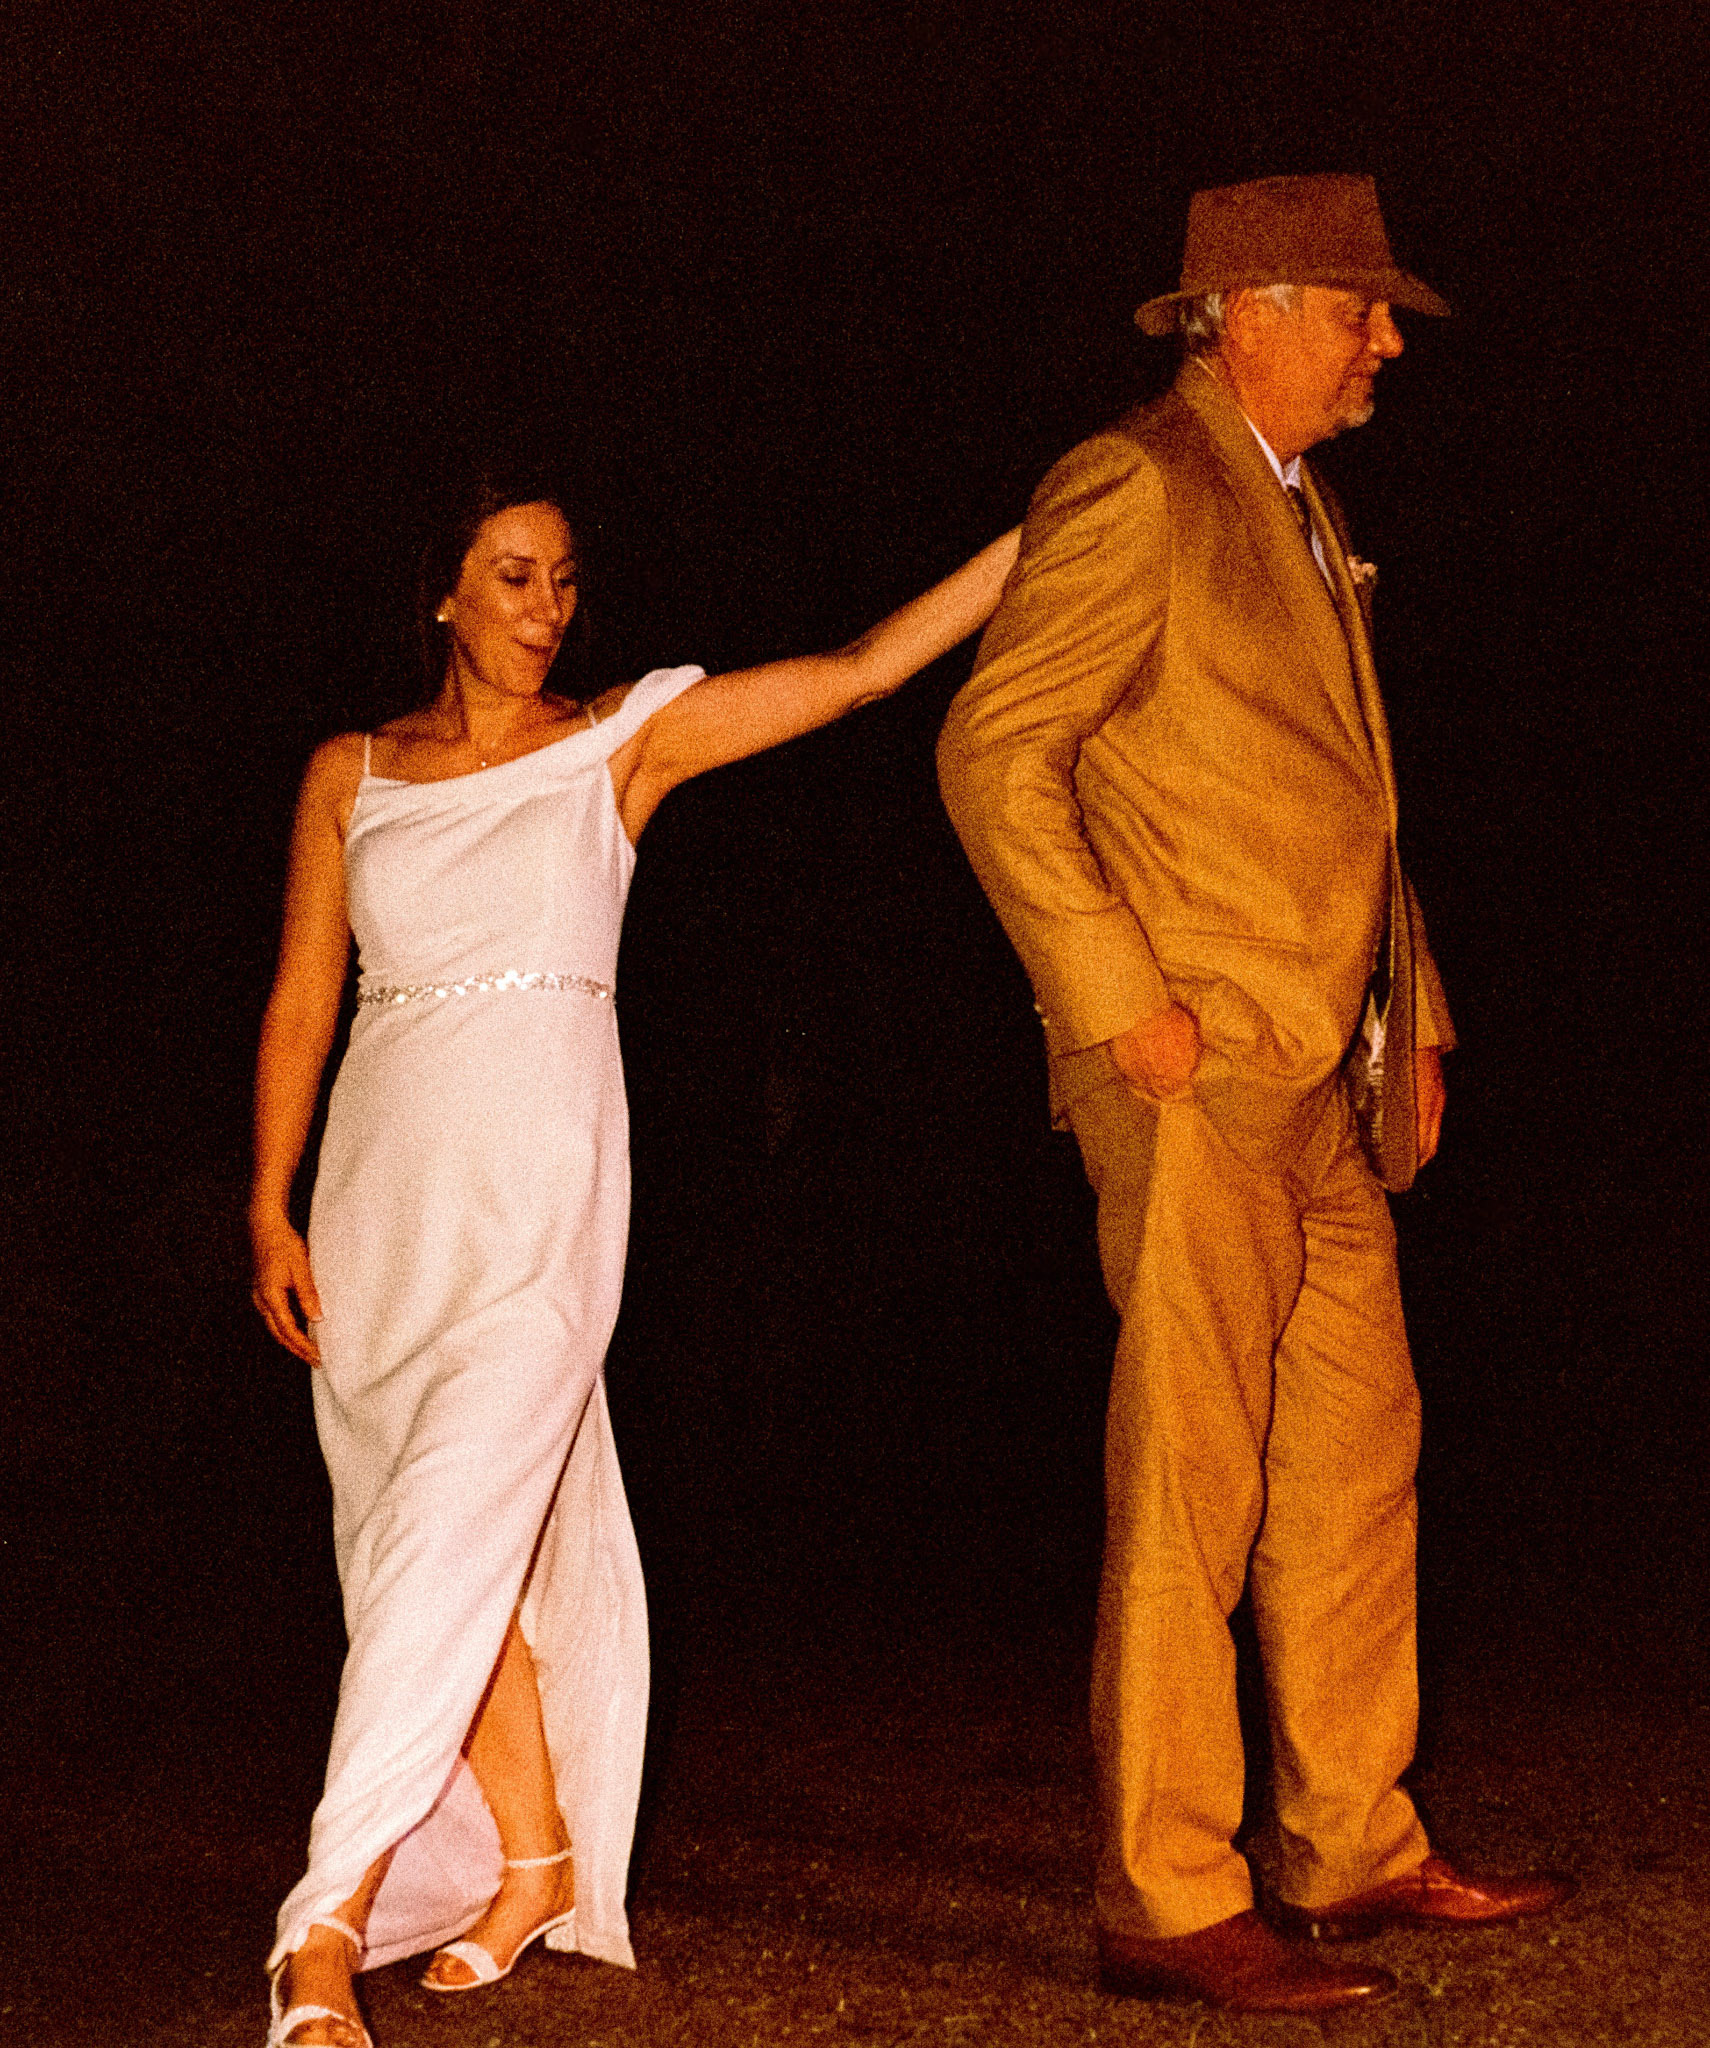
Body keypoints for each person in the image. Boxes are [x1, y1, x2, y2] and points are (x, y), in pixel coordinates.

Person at [250, 461, 1019, 2048]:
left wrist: (1048, 523)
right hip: (383, 1198)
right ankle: (531, 1860)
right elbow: (304, 992)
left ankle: (321, 1927)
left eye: (564, 579)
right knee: (430, 1542)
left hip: (545, 1198)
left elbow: (863, 668)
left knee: (450, 1523)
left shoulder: (619, 742)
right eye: (513, 575)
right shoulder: (350, 771)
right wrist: (270, 1200)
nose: (548, 608)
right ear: (443, 593)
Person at [937, 175, 1569, 2015]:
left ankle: (1350, 1842)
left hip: (1322, 1065)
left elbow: (1349, 788)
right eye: (1360, 311)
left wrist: (1411, 1005)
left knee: (1357, 1462)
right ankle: (1163, 1892)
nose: (1385, 346)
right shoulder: (1134, 481)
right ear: (1254, 307)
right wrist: (1116, 1001)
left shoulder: (1296, 499)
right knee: (1190, 1484)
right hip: (1196, 1064)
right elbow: (993, 751)